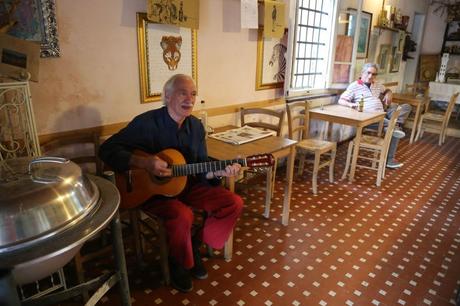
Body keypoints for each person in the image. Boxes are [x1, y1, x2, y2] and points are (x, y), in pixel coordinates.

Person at [99, 74, 244, 292]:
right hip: (152, 192)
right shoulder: (146, 123)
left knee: (233, 202)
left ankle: (194, 246)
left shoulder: (196, 127)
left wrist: (218, 172)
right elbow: (107, 149)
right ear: (167, 96)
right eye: (182, 92)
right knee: (182, 215)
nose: (190, 99)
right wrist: (144, 162)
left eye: (193, 93)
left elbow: (202, 164)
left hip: (188, 186)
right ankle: (179, 263)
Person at [338, 63, 412, 168]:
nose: (370, 76)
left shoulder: (377, 84)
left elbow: (387, 90)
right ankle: (390, 158)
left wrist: (388, 93)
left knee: (406, 107)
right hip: (369, 118)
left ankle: (395, 125)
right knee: (391, 129)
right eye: (368, 73)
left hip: (383, 115)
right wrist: (351, 104)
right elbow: (341, 100)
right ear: (362, 73)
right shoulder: (355, 86)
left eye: (373, 74)